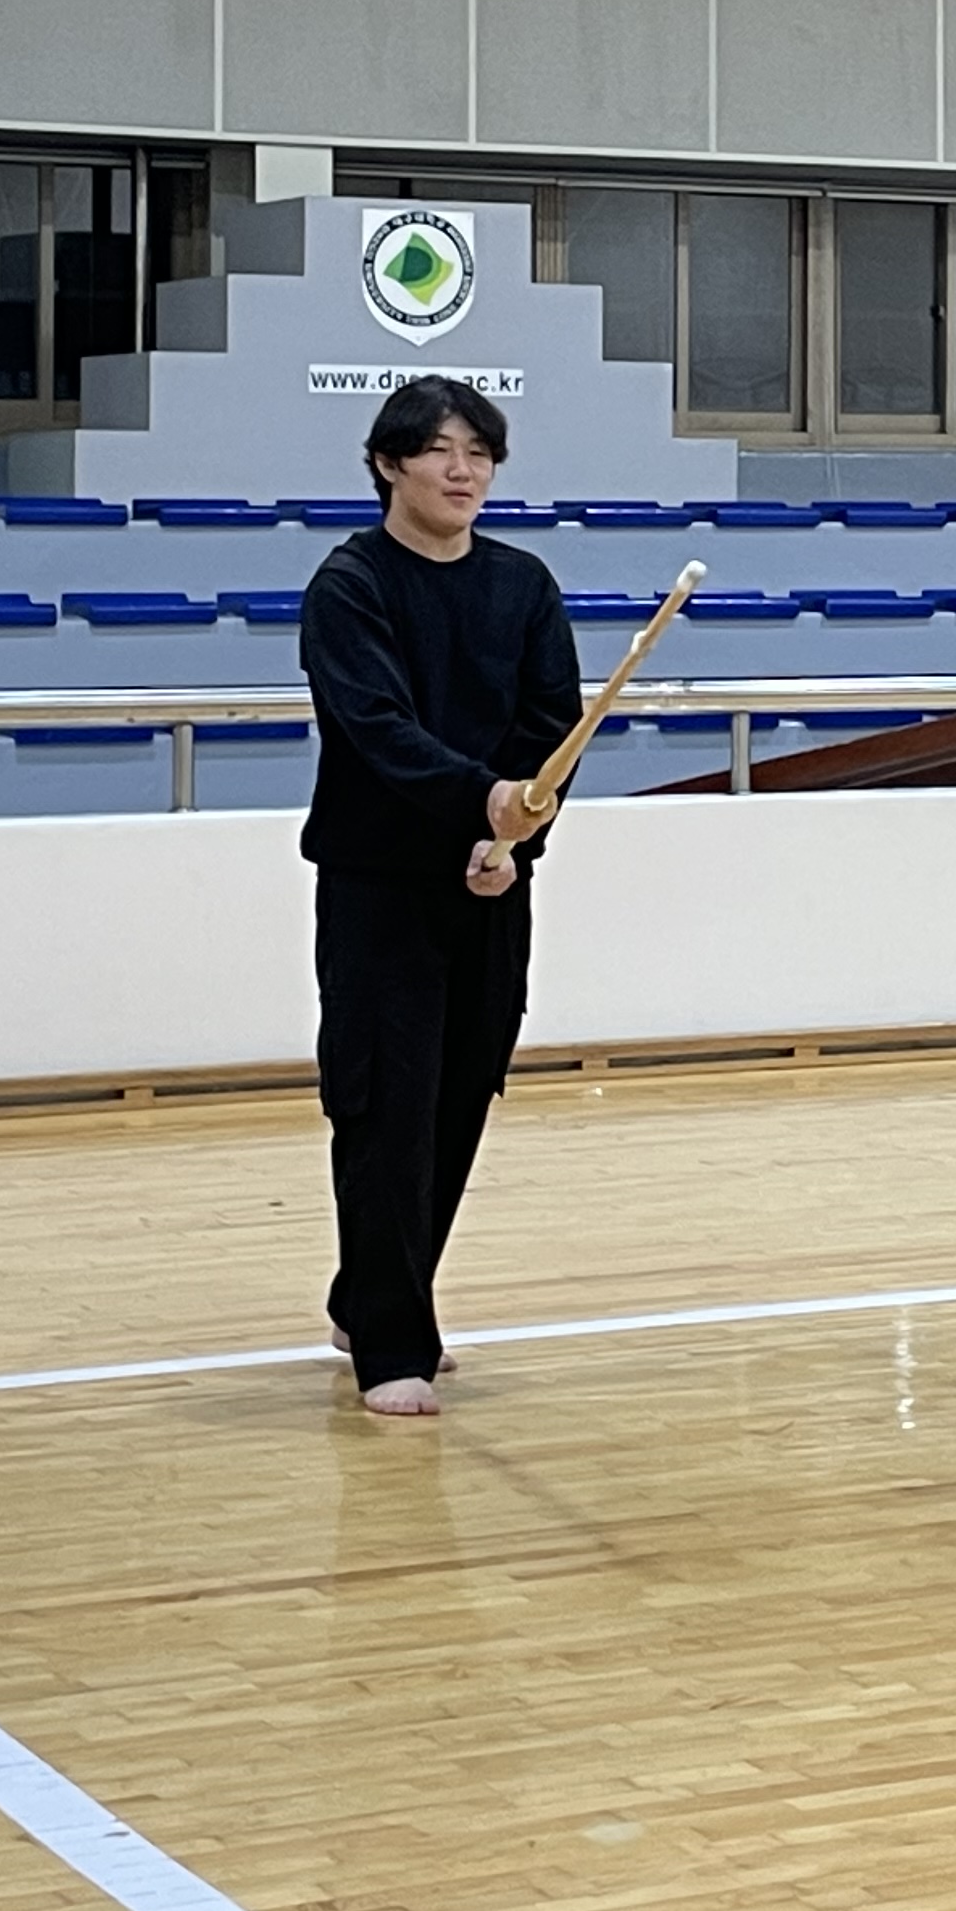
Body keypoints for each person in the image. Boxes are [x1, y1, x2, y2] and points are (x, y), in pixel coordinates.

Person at [298, 375, 584, 1416]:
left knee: (462, 1092)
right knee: (387, 1105)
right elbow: (377, 730)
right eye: (439, 451)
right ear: (388, 463)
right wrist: (481, 801)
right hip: (380, 886)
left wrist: (515, 832)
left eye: (480, 454)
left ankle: (372, 1295)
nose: (464, 471)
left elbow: (551, 729)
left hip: (493, 881)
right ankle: (392, 1344)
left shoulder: (524, 584)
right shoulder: (350, 586)